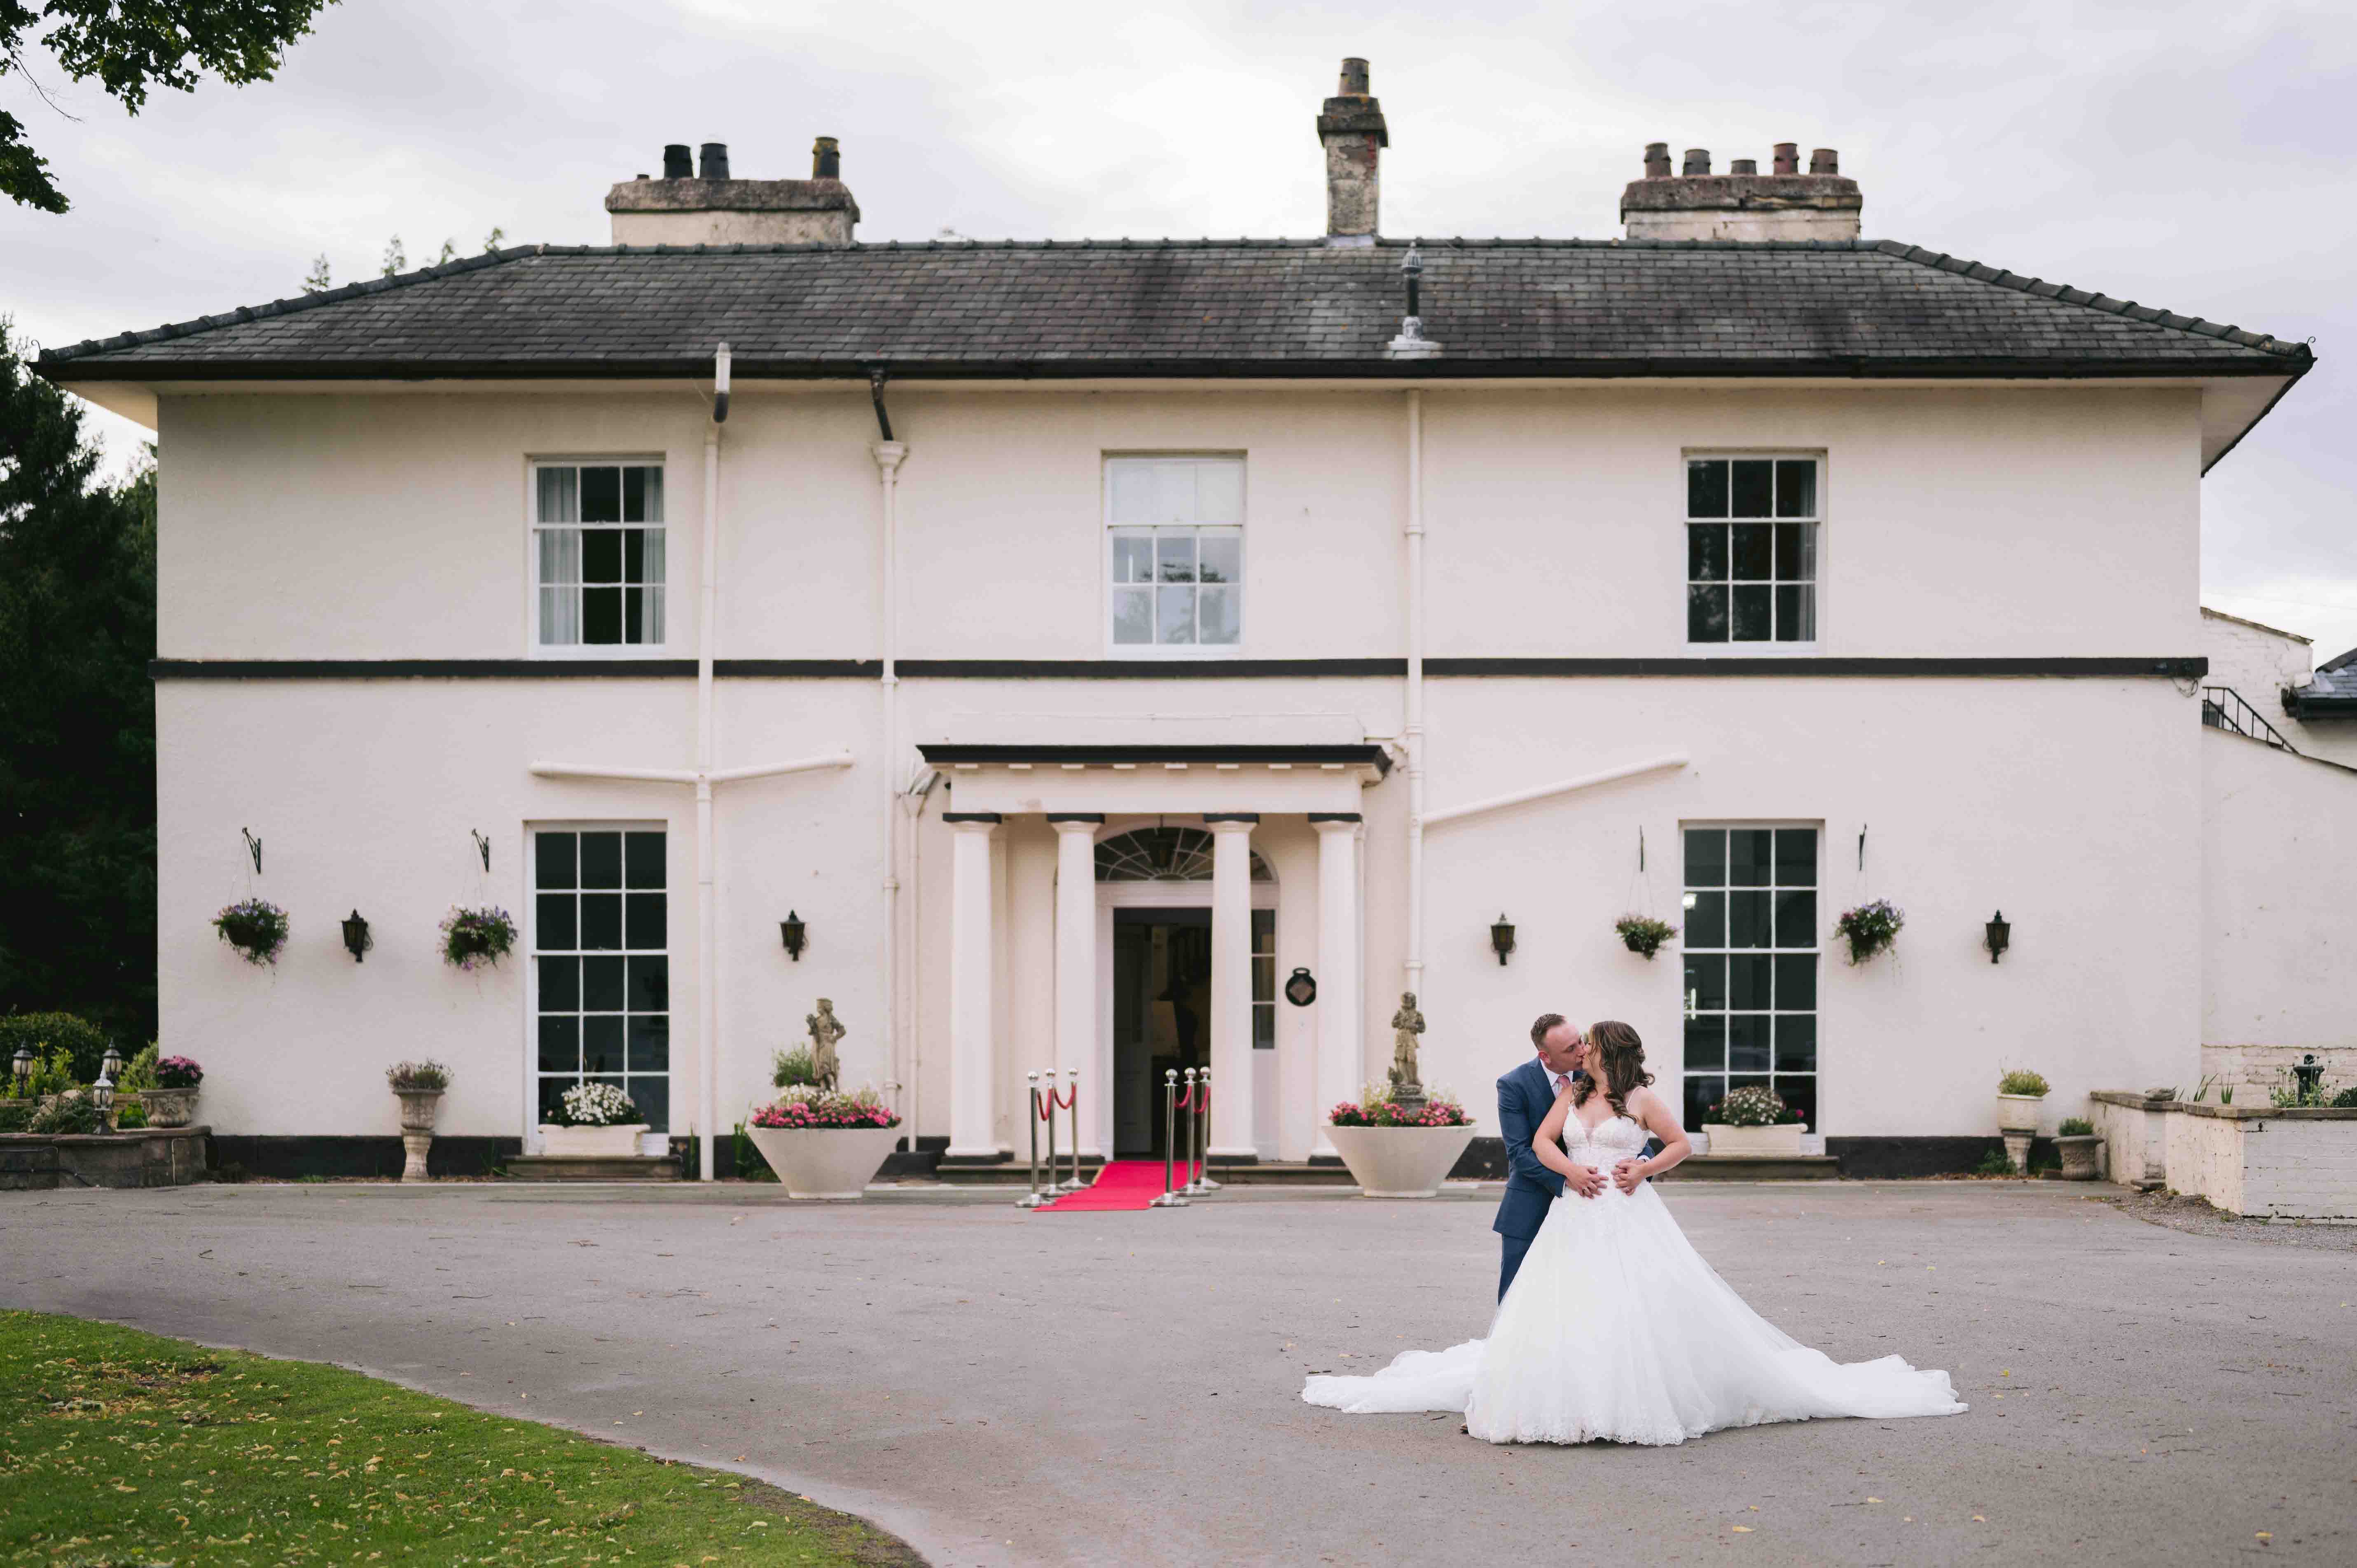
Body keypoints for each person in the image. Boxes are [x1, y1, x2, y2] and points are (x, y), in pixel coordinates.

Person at [1304, 1021, 1966, 1446]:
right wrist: (1570, 1174)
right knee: (1563, 1305)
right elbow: (1537, 1142)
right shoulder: (1569, 1095)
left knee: (1634, 1303)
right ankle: (1566, 1398)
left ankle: (1634, 1397)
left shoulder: (1642, 1101)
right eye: (1576, 1049)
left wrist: (1643, 1166)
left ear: (1609, 1054)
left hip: (1627, 1211)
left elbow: (1683, 1145)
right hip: (1576, 1210)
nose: (1580, 1054)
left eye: (1588, 1047)